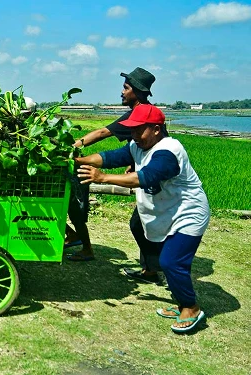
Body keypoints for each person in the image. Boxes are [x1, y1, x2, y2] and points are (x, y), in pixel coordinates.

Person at [75, 104, 209, 333]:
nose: (134, 134)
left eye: (139, 129)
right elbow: (109, 157)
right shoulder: (138, 145)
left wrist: (103, 178)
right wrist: (79, 160)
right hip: (167, 210)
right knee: (140, 228)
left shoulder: (168, 151)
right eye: (132, 130)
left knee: (172, 262)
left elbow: (145, 177)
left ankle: (191, 307)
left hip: (188, 212)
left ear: (156, 129)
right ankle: (172, 293)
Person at [65, 68, 164, 286]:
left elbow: (103, 133)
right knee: (141, 223)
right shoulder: (143, 111)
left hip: (156, 178)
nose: (122, 92)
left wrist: (72, 147)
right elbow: (125, 152)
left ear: (137, 91)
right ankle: (151, 269)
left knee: (144, 223)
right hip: (147, 173)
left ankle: (162, 268)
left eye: (126, 88)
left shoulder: (141, 114)